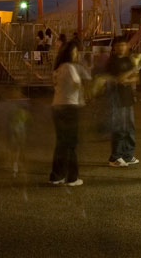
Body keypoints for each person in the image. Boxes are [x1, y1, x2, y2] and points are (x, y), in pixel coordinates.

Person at [50, 41, 89, 187]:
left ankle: (56, 175)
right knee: (71, 144)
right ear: (68, 54)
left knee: (61, 143)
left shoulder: (58, 68)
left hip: (57, 107)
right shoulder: (69, 67)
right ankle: (72, 177)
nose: (76, 55)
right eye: (74, 52)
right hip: (69, 108)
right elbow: (78, 84)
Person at [106, 38, 139, 167]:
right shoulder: (112, 62)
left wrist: (128, 78)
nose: (122, 47)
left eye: (124, 44)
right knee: (119, 128)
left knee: (130, 128)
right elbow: (119, 78)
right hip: (117, 99)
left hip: (127, 98)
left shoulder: (127, 60)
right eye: (119, 45)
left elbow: (136, 78)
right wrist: (131, 72)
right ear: (114, 47)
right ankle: (115, 157)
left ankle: (128, 155)